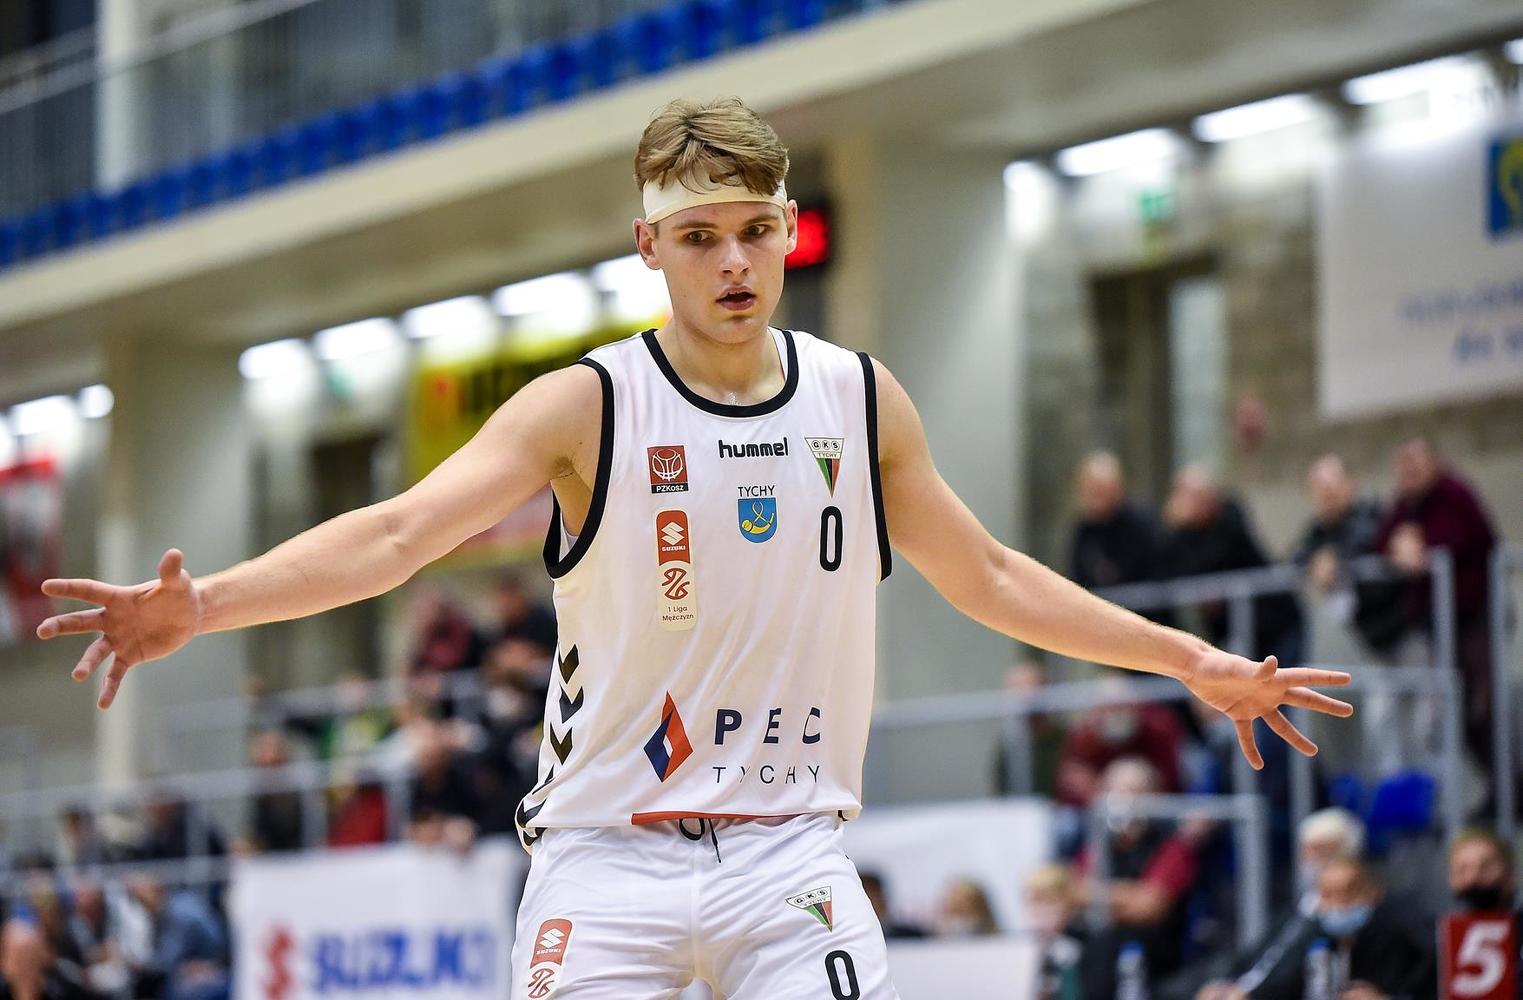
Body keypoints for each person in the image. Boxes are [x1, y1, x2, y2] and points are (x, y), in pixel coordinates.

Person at [35, 97, 1354, 999]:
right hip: (603, 852)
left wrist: (1189, 660)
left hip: (789, 852)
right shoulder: (584, 405)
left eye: (755, 232)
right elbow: (395, 534)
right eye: (700, 237)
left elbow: (993, 576)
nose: (733, 263)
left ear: (786, 232)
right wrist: (206, 604)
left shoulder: (858, 399)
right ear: (648, 247)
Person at [1373, 437, 1500, 774]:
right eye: (1403, 464)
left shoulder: (1454, 493)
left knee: (1482, 708)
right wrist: (1399, 547)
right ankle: (1496, 787)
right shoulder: (1405, 505)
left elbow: (1463, 538)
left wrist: (1421, 546)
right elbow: (1382, 541)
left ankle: (1506, 788)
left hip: (1475, 617)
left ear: (1434, 463)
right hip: (1436, 623)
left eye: (1416, 462)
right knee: (1451, 711)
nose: (1409, 471)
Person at [1292, 455, 1404, 657]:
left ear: (1351, 483)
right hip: (1367, 633)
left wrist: (1335, 556)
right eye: (1320, 487)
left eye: (1333, 484)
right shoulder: (1319, 531)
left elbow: (1366, 538)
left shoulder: (1372, 513)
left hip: (1404, 626)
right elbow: (1296, 556)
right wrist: (1315, 561)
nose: (1328, 492)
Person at [1069, 453, 1174, 625]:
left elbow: (1160, 575)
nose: (1096, 496)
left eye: (1101, 489)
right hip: (1102, 624)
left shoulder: (1142, 523)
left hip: (1148, 621)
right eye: (1092, 489)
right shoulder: (1082, 530)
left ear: (1118, 487)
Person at [858, 872, 925, 940]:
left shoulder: (911, 936)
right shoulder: (854, 940)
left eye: (876, 899)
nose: (874, 906)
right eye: (870, 899)